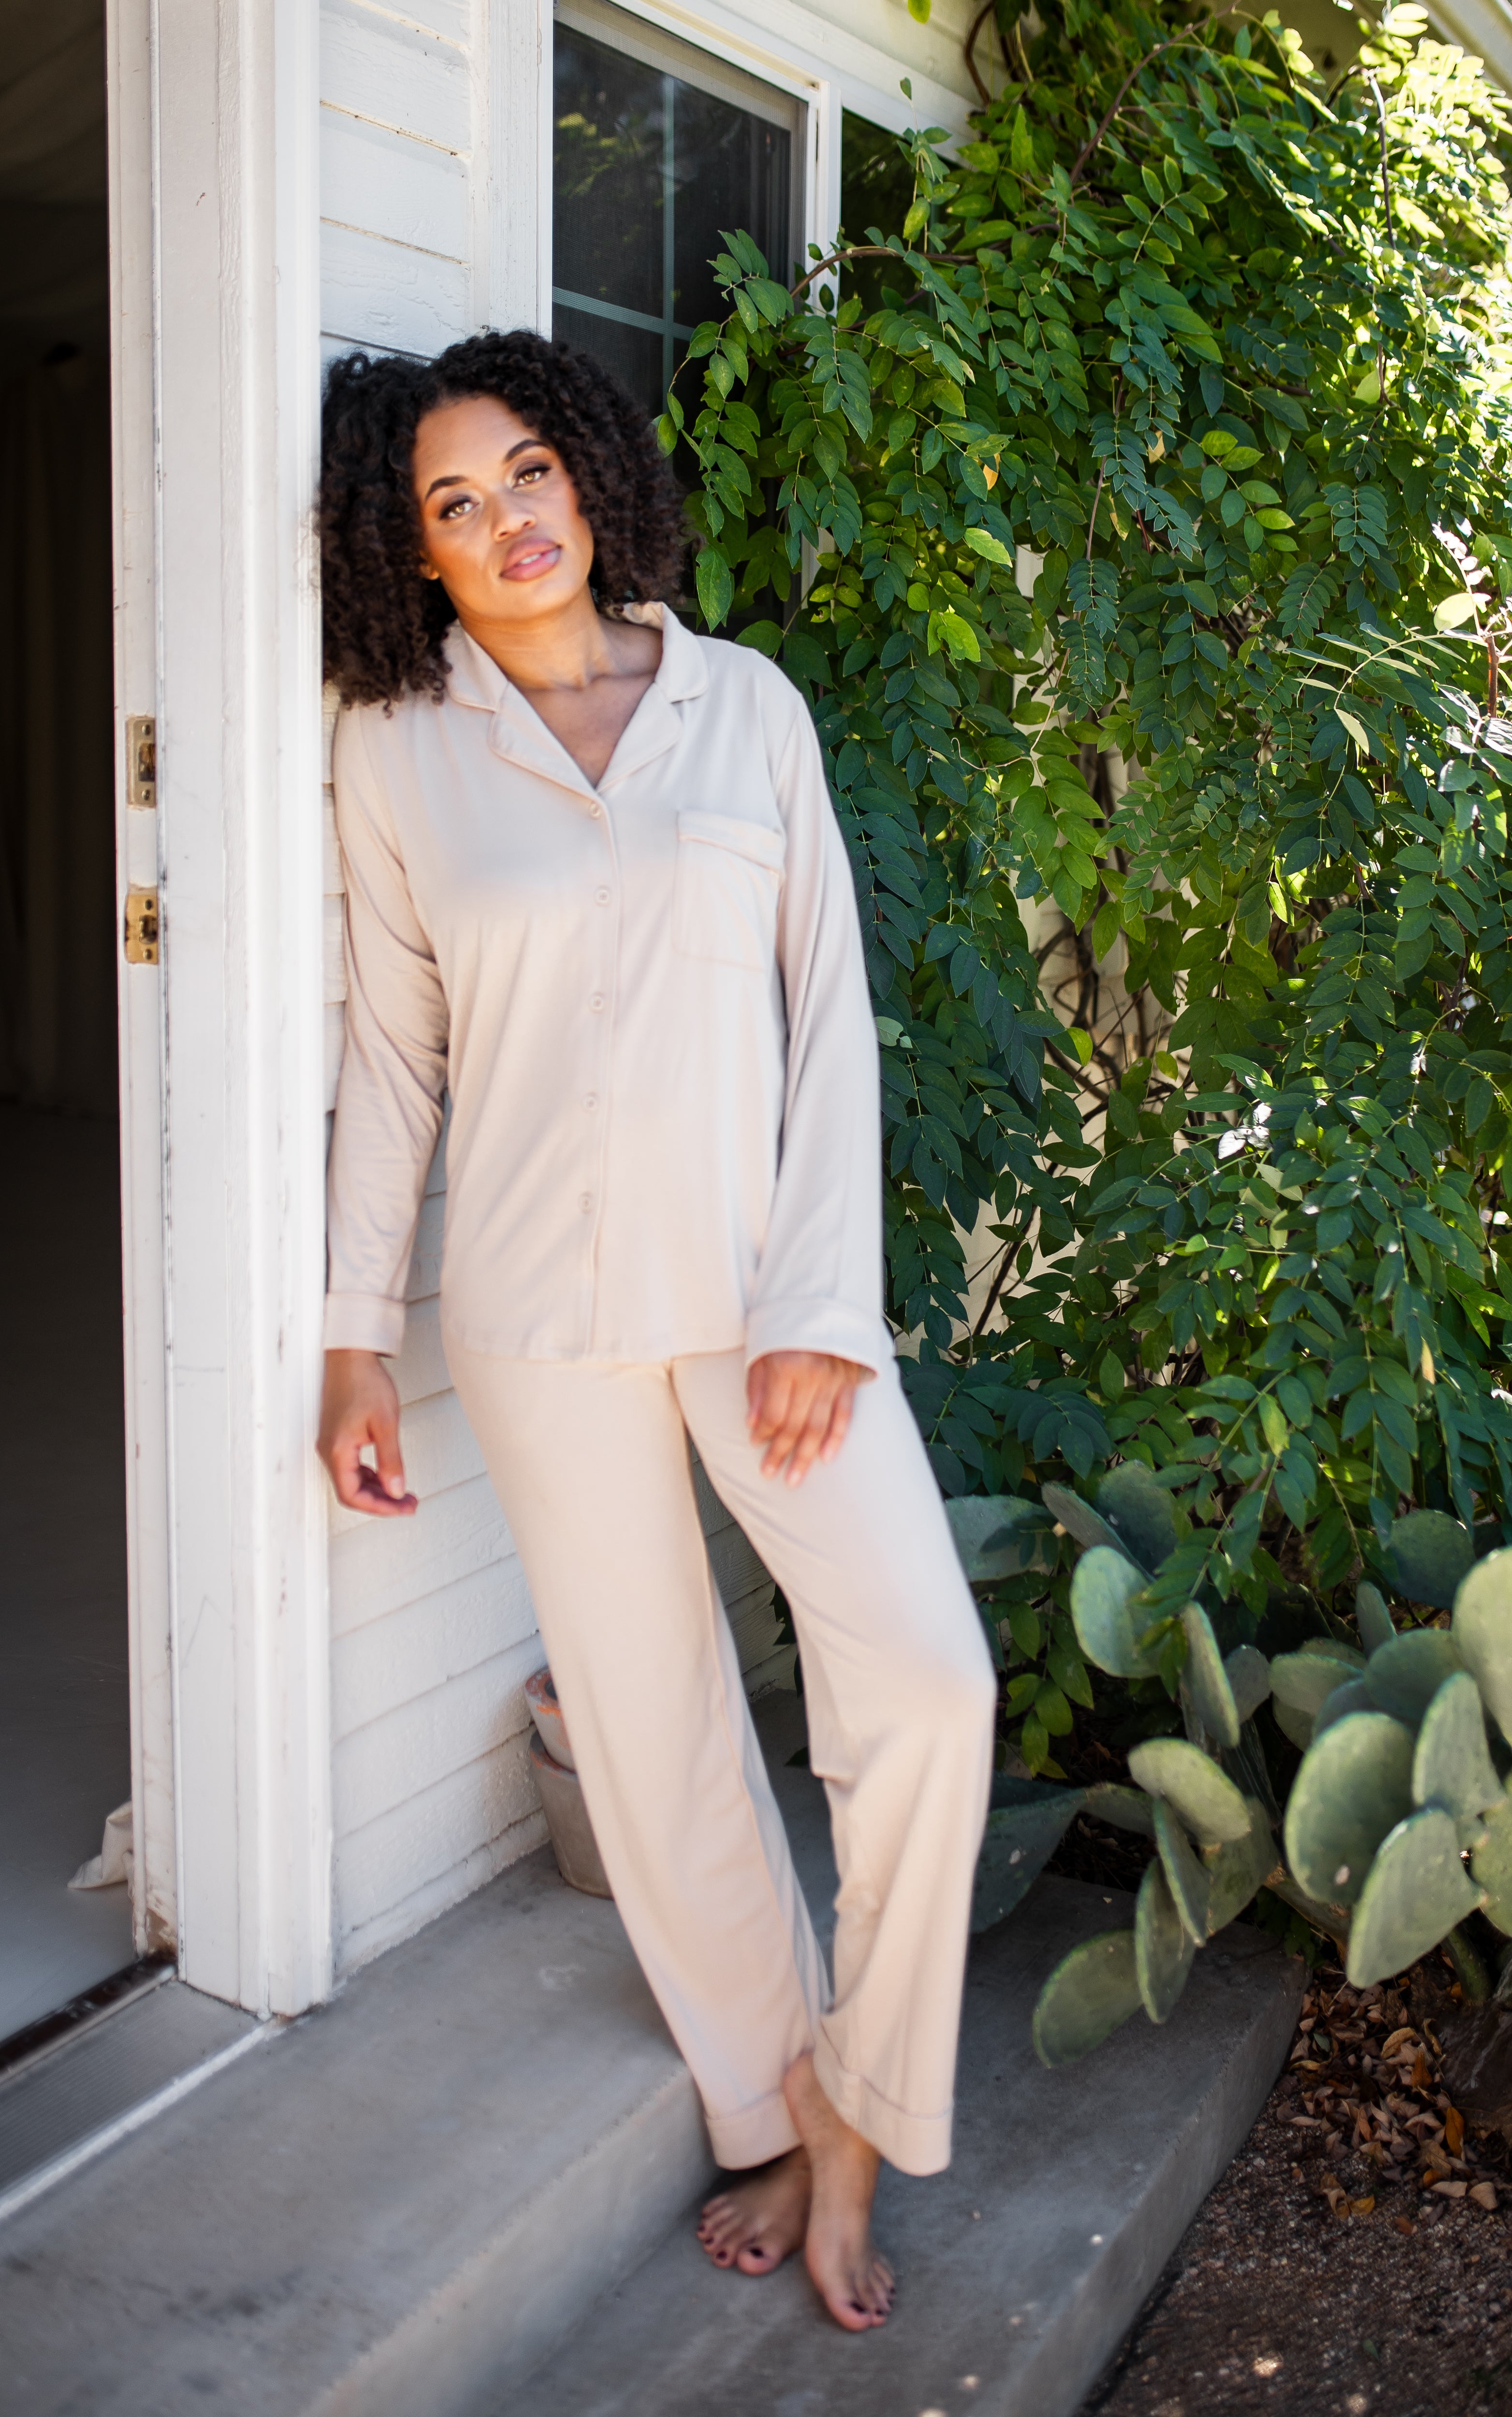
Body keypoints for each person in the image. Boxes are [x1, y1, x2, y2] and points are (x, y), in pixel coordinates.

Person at [314, 331, 994, 2332]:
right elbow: (395, 1057)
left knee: (927, 1679)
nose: (507, 518)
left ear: (590, 478)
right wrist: (355, 1332)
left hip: (759, 1303)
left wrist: (817, 1307)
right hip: (535, 1306)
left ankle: (870, 2103)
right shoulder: (398, 751)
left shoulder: (742, 708)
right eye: (454, 501)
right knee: (654, 1720)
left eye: (527, 469)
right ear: (414, 554)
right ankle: (775, 2098)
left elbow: (826, 1017)